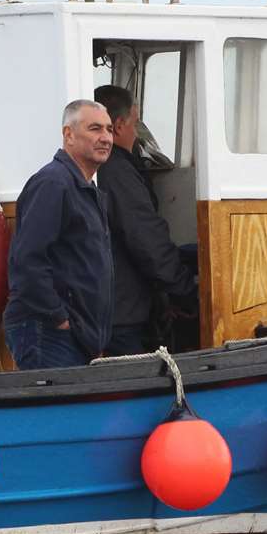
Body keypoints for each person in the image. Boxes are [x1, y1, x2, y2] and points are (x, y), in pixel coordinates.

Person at [2, 100, 114, 369]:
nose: (105, 138)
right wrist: (58, 317)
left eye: (109, 130)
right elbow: (27, 260)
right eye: (95, 129)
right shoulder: (53, 184)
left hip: (77, 336)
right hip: (49, 332)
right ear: (69, 135)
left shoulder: (87, 190)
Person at [94, 86, 197, 356]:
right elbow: (146, 240)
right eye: (135, 123)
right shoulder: (116, 172)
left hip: (116, 306)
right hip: (123, 315)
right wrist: (187, 292)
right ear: (118, 126)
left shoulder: (110, 169)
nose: (137, 132)